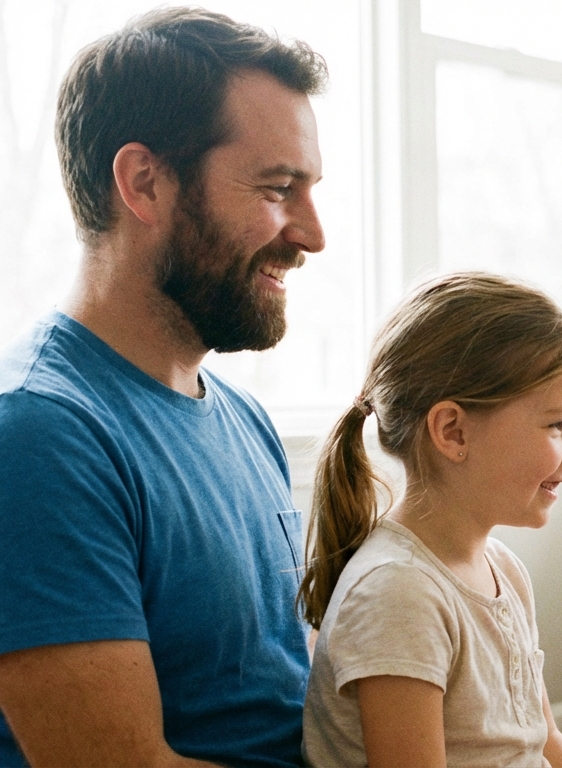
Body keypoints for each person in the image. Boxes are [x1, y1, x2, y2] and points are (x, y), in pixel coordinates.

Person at [0, 7, 328, 766]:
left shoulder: (242, 417)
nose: (313, 234)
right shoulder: (38, 435)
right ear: (145, 183)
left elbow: (286, 686)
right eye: (280, 188)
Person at [299, 272, 562, 767]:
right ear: (453, 432)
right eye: (558, 424)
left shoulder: (503, 568)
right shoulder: (399, 592)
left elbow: (548, 746)